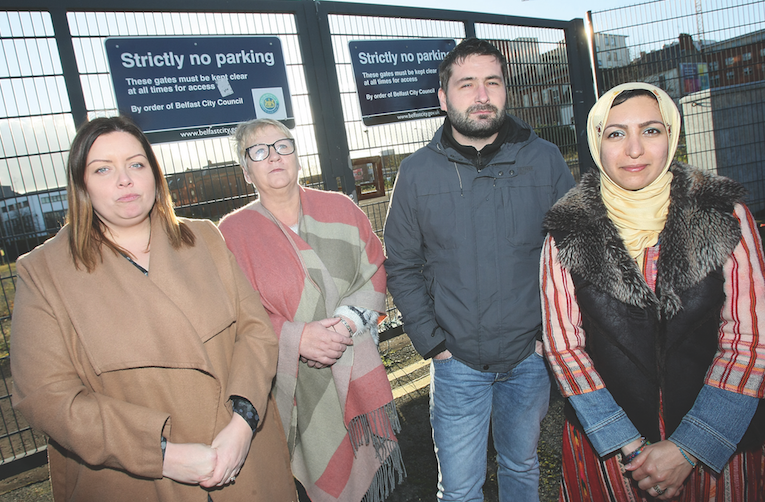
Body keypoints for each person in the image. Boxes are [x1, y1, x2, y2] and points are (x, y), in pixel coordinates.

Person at [9, 115, 296, 502]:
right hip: (139, 481)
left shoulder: (205, 239)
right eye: (103, 169)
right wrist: (163, 455)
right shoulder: (44, 273)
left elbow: (255, 332)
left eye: (136, 164)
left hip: (244, 465)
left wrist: (242, 424)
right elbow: (47, 397)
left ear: (154, 174)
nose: (124, 179)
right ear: (81, 185)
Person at [541, 82, 765, 501]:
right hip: (613, 456)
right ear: (596, 142)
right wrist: (629, 445)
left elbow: (750, 340)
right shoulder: (567, 230)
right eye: (615, 133)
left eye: (650, 130)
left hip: (720, 449)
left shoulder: (725, 214)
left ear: (672, 135)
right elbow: (563, 348)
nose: (634, 150)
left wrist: (691, 445)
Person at [383, 38, 575, 501]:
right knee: (461, 489)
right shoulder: (416, 173)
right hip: (457, 364)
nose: (482, 95)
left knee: (521, 465)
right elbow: (403, 266)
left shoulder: (545, 160)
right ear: (443, 97)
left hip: (529, 358)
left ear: (506, 92)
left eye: (493, 82)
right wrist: (434, 343)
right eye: (467, 84)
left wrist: (548, 336)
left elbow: (573, 252)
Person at [218, 118, 405, 502]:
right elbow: (233, 311)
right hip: (283, 391)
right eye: (258, 150)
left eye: (282, 145)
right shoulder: (232, 233)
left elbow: (373, 270)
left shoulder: (340, 208)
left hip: (353, 369)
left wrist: (346, 324)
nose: (273, 156)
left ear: (298, 156)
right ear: (245, 170)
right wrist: (296, 337)